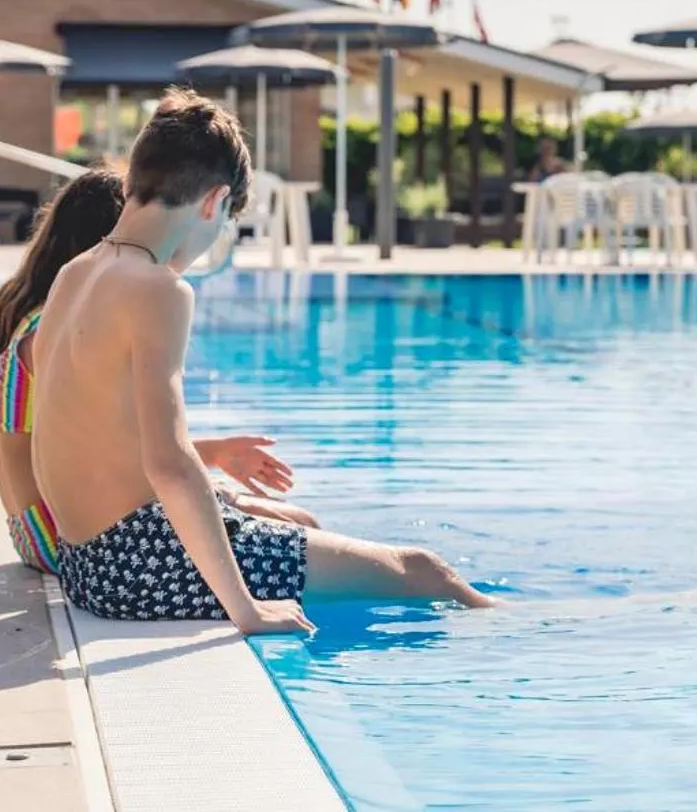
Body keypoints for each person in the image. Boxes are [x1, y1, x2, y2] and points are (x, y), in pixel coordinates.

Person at [33, 89, 494, 630]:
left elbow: (78, 439)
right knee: (425, 572)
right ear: (214, 202)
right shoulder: (158, 289)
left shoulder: (75, 273)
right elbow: (170, 464)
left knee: (300, 524)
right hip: (137, 564)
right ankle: (532, 628)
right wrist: (246, 609)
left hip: (84, 564)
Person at [0, 165, 317, 576]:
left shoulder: (42, 318)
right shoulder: (57, 332)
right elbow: (116, 458)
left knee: (285, 523)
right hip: (62, 537)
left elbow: (110, 446)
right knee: (299, 527)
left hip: (39, 527)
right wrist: (214, 467)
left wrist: (216, 456)